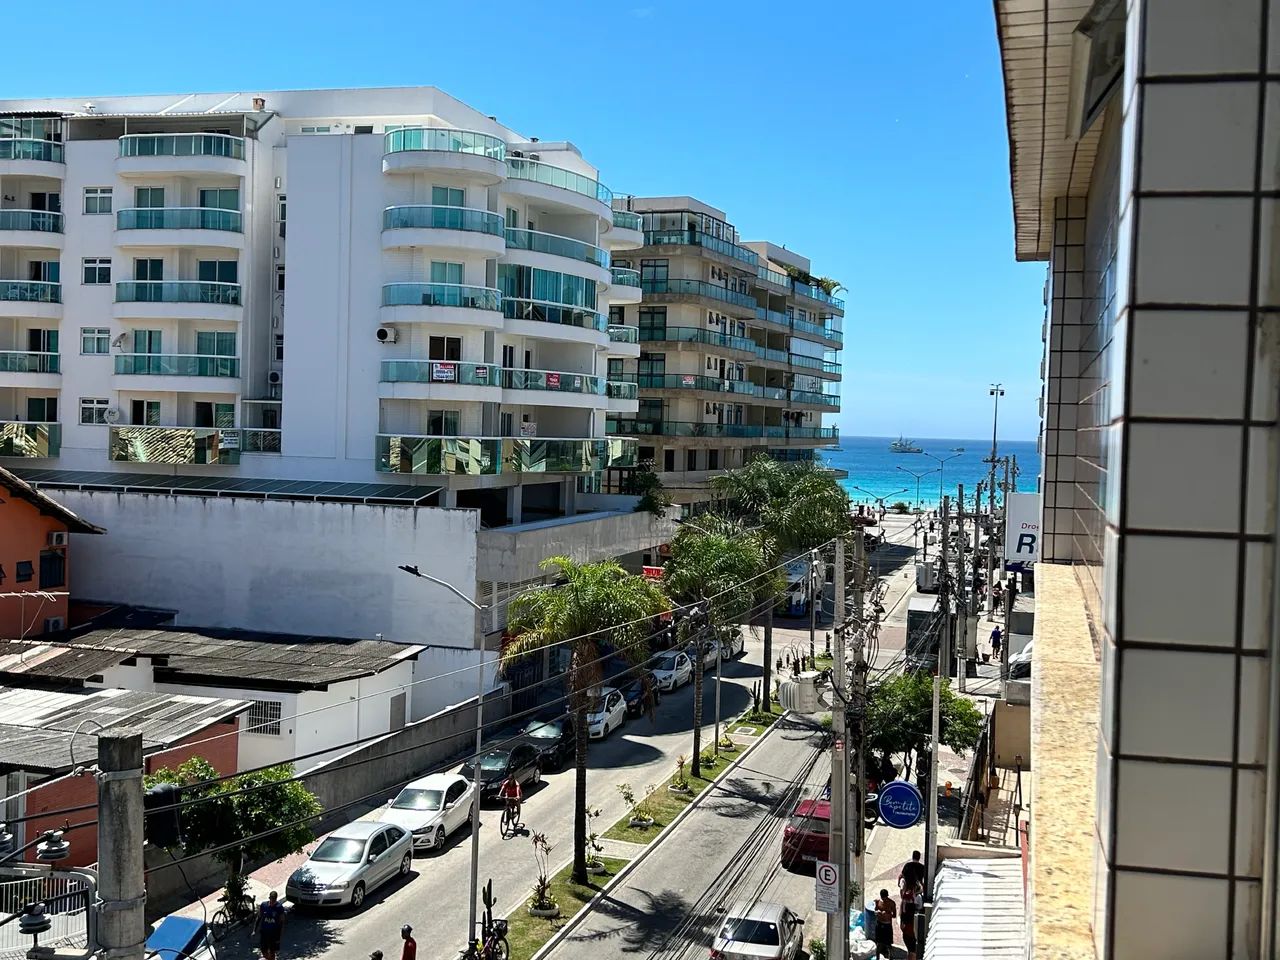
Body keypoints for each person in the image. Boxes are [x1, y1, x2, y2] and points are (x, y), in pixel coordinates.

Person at [253, 890, 285, 960]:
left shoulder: (279, 907)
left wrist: (279, 936)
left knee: (272, 951)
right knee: (263, 950)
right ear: (269, 898)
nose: (272, 901)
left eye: (274, 900)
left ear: (276, 899)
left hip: (273, 934)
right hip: (264, 932)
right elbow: (259, 917)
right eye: (271, 899)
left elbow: (282, 921)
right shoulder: (264, 905)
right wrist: (254, 930)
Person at [900, 883, 921, 960]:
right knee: (912, 952)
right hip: (911, 934)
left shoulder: (906, 915)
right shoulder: (914, 919)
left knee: (910, 951)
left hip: (907, 933)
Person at [873, 889, 897, 959]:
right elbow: (875, 911)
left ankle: (891, 957)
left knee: (888, 944)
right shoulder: (878, 902)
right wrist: (878, 912)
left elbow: (894, 915)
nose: (884, 899)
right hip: (879, 924)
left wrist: (887, 914)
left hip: (887, 925)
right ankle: (877, 958)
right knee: (878, 943)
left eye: (885, 897)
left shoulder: (892, 903)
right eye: (883, 898)